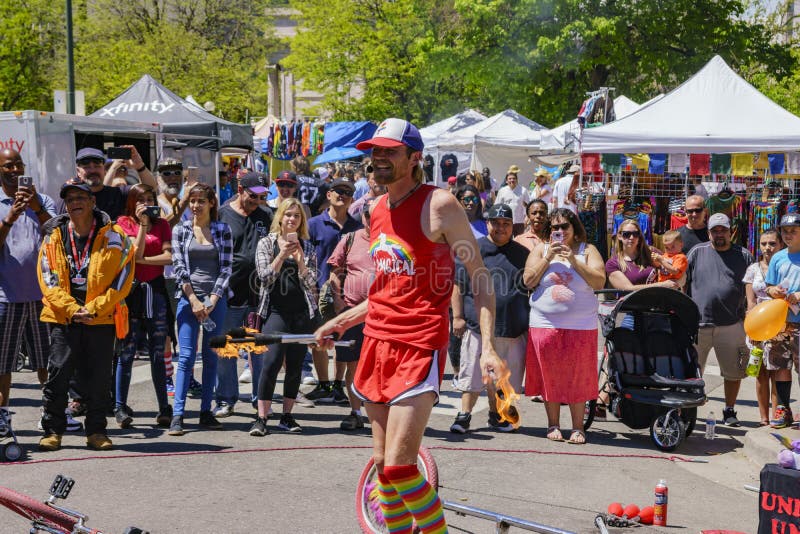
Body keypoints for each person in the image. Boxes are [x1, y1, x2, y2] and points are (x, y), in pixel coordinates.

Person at [316, 118, 503, 533]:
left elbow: (481, 278)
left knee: (402, 468)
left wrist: (487, 346)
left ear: (414, 158)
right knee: (382, 468)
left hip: (419, 345)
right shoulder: (374, 209)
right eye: (374, 152)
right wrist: (342, 320)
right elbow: (386, 290)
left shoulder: (440, 204)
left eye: (389, 151)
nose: (378, 159)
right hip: (377, 341)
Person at [37, 178, 135, 451]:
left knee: (99, 379)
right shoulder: (53, 236)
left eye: (81, 198)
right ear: (65, 205)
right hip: (63, 317)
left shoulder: (115, 235)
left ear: (93, 202)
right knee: (58, 377)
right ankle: (53, 430)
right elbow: (47, 280)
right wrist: (73, 310)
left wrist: (93, 309)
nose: (76, 203)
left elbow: (124, 276)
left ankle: (96, 431)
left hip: (100, 318)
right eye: (70, 200)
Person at [523, 208, 606, 444]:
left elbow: (599, 281)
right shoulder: (541, 249)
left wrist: (572, 260)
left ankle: (578, 427)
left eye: (564, 227)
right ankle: (553, 424)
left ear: (574, 228)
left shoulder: (587, 250)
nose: (559, 231)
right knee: (551, 376)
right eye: (555, 227)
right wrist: (549, 258)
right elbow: (527, 280)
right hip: (544, 323)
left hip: (581, 326)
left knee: (578, 376)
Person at [450, 204, 530, 434]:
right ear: (488, 224)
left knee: (505, 378)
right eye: (496, 223)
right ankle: (464, 415)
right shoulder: (474, 249)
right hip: (477, 326)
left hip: (513, 327)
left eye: (506, 224)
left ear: (512, 226)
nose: (500, 228)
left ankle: (499, 415)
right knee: (472, 375)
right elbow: (457, 284)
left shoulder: (523, 253)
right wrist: (457, 317)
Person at [249, 198, 320, 436]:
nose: (292, 219)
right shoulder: (266, 243)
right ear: (280, 217)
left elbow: (312, 285)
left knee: (296, 367)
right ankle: (261, 418)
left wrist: (300, 261)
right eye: (288, 214)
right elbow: (264, 277)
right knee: (270, 364)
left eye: (296, 216)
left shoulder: (308, 247)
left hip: (301, 313)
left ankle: (287, 416)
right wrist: (281, 255)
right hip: (275, 312)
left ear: (302, 221)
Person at [168, 183, 232, 436]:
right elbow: (179, 268)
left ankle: (206, 411)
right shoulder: (180, 230)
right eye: (192, 201)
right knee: (184, 358)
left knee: (211, 358)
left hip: (215, 300)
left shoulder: (222, 230)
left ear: (211, 203)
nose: (195, 206)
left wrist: (212, 300)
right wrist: (194, 300)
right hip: (188, 299)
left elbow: (226, 268)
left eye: (200, 201)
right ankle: (178, 414)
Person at [0, 148, 54, 438]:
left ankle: (53, 414)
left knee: (47, 360)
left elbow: (59, 235)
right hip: (6, 297)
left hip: (43, 297)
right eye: (9, 165)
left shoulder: (42, 200)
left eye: (18, 164)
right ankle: (2, 417)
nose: (15, 169)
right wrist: (9, 217)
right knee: (3, 363)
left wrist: (36, 207)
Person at [213, 172, 273, 418]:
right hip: (230, 293)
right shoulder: (223, 214)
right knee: (227, 349)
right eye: (252, 195)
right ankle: (226, 399)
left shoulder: (266, 215)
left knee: (257, 350)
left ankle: (260, 401)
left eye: (261, 196)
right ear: (240, 189)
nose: (256, 200)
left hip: (258, 296)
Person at [686, 213, 753, 427]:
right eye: (715, 230)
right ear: (709, 232)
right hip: (698, 323)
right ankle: (687, 410)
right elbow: (682, 281)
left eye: (723, 230)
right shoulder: (697, 252)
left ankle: (730, 410)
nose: (719, 234)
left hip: (732, 323)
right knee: (692, 371)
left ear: (730, 231)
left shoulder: (744, 255)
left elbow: (751, 286)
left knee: (733, 371)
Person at [114, 184, 173, 428]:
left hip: (155, 289)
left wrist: (144, 260)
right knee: (126, 352)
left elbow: (168, 257)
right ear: (131, 202)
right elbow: (132, 252)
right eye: (141, 200)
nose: (146, 204)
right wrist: (143, 226)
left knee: (158, 353)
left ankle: (163, 407)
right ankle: (119, 406)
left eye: (150, 199)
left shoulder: (163, 224)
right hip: (131, 291)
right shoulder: (123, 222)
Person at [305, 177, 362, 404]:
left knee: (344, 340)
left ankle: (338, 384)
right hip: (319, 292)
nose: (342, 195)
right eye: (337, 191)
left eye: (347, 193)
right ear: (328, 195)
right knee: (319, 340)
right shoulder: (314, 224)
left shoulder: (357, 227)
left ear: (352, 199)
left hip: (350, 294)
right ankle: (323, 384)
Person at [327, 198, 376, 430]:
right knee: (352, 365)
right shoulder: (350, 239)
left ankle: (379, 412)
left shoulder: (390, 241)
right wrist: (337, 302)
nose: (371, 220)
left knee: (380, 365)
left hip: (382, 316)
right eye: (368, 215)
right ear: (363, 216)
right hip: (351, 312)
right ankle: (356, 412)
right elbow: (335, 273)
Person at [744, 228, 789, 427]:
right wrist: (752, 330)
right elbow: (750, 303)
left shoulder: (786, 266)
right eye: (764, 244)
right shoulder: (753, 269)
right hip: (758, 327)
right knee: (761, 373)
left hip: (781, 327)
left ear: (780, 245)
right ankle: (764, 418)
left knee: (777, 373)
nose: (768, 248)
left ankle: (777, 415)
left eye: (772, 243)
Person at [764, 216, 800, 428]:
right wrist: (773, 290)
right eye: (785, 231)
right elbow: (768, 287)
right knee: (780, 365)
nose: (788, 235)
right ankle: (783, 409)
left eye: (793, 230)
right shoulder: (778, 258)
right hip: (781, 322)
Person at [75, 146, 157, 221]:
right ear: (78, 171)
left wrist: (139, 165)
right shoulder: (71, 197)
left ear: (103, 169)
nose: (92, 171)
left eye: (97, 166)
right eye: (86, 167)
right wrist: (114, 167)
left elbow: (150, 188)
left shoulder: (118, 193)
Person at [606, 220, 679, 291]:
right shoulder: (613, 264)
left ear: (639, 236)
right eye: (627, 234)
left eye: (635, 234)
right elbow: (627, 289)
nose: (631, 237)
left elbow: (677, 269)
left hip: (659, 301)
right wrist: (661, 285)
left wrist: (678, 282)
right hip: (631, 302)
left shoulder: (652, 253)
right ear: (619, 236)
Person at [494, 170, 530, 235]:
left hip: (519, 221)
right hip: (506, 221)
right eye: (509, 179)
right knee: (506, 240)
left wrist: (527, 218)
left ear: (517, 180)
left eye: (514, 178)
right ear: (506, 181)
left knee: (519, 241)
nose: (512, 180)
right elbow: (497, 206)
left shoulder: (523, 190)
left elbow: (528, 206)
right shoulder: (502, 191)